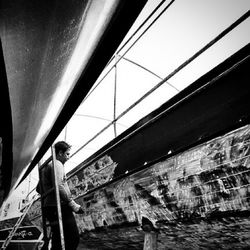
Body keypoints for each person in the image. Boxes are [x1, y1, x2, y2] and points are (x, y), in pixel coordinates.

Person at [37, 141, 83, 250]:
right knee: (73, 237)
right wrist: (72, 204)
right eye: (67, 154)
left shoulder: (45, 167)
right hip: (58, 206)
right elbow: (59, 185)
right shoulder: (57, 164)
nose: (69, 157)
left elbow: (38, 189)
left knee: (57, 238)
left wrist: (48, 191)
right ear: (60, 153)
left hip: (48, 207)